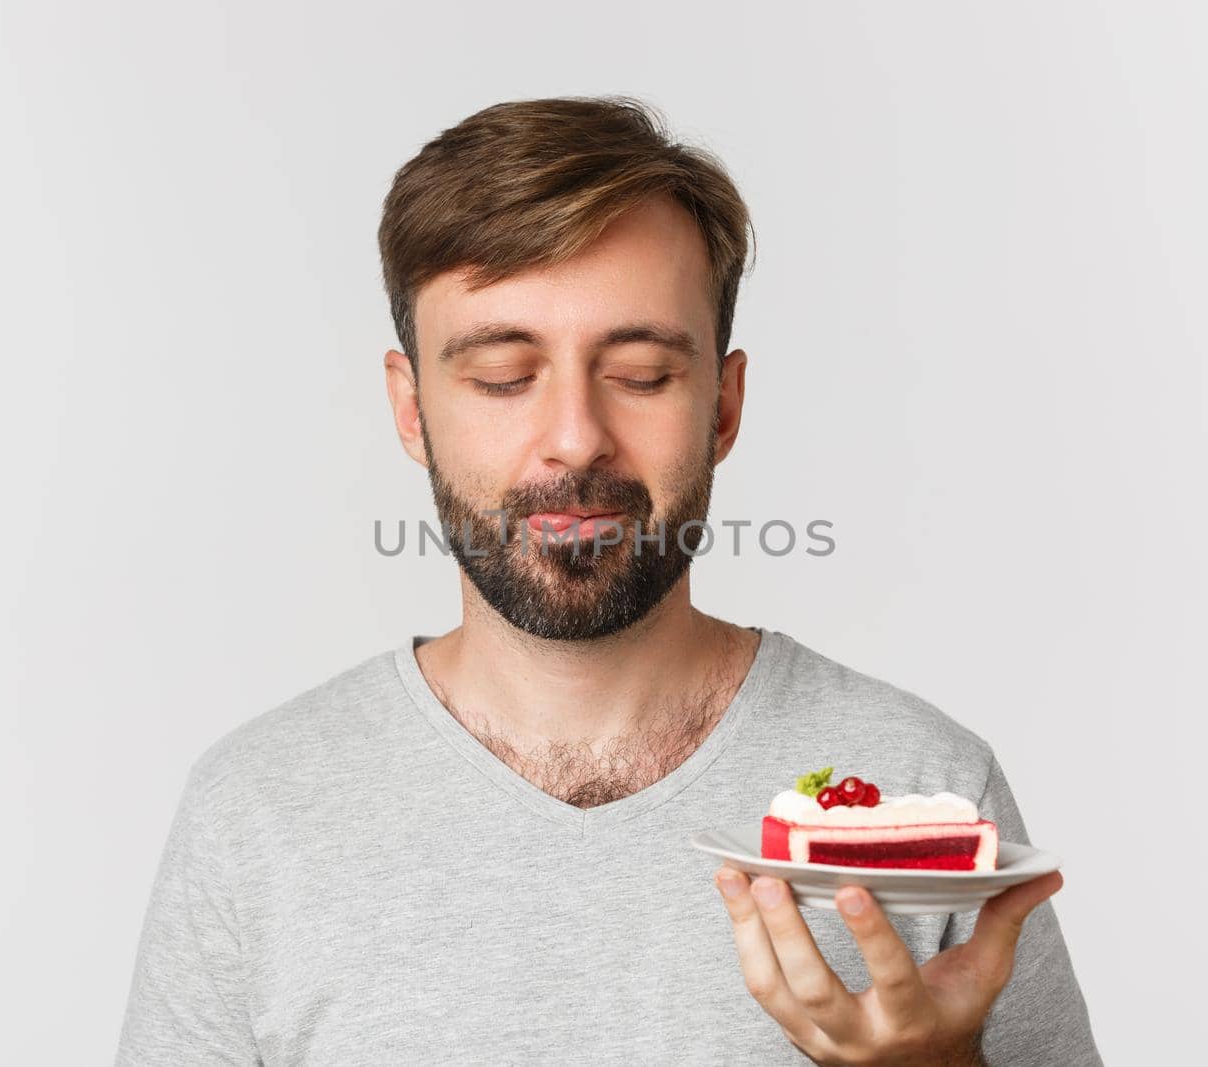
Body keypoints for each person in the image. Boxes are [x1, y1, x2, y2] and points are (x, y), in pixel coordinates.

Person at [116, 95, 1101, 1066]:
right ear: (411, 411)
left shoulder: (922, 789)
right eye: (503, 374)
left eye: (638, 373)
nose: (576, 436)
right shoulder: (256, 812)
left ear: (723, 405)